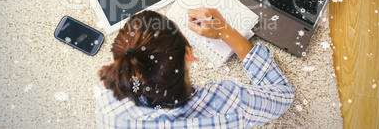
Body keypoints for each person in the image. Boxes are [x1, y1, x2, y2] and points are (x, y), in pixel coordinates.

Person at [96, 8, 295, 128]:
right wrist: (226, 32)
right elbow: (283, 94)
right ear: (189, 56)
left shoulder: (108, 108)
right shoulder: (230, 105)